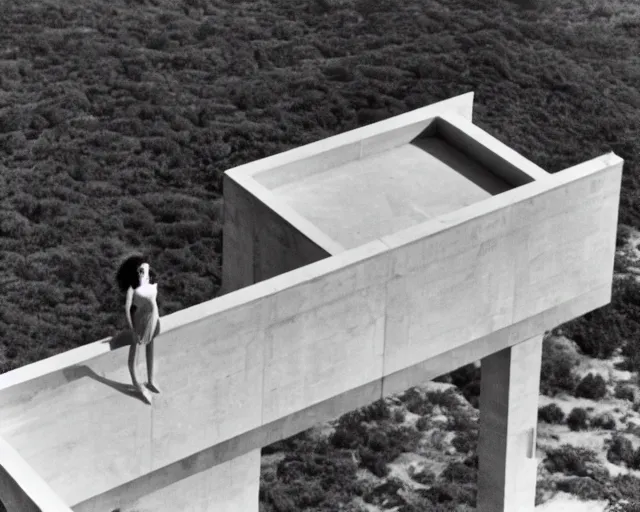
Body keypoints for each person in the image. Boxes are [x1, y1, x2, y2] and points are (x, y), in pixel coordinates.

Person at [115, 253, 161, 404]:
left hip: (152, 319)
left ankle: (151, 379)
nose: (144, 273)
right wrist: (132, 329)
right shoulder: (132, 288)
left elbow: (153, 300)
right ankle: (137, 385)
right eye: (140, 271)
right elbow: (127, 309)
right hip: (139, 321)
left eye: (145, 270)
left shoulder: (151, 282)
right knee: (135, 354)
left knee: (151, 347)